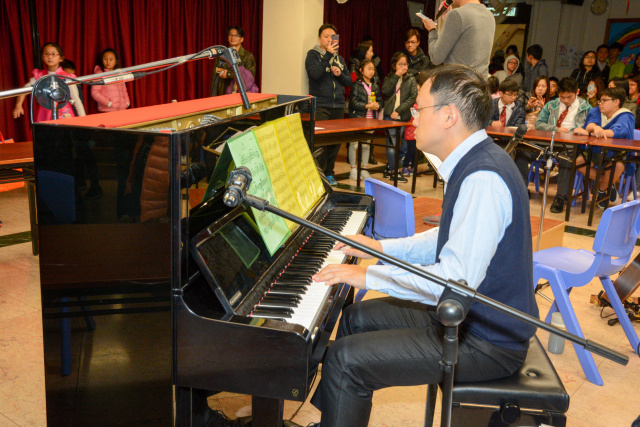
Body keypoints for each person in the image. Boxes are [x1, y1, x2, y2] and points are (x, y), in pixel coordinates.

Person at [305, 64, 538, 427]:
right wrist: (380, 249)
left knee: (345, 360)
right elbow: (445, 237)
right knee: (354, 319)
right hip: (465, 317)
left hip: (487, 340)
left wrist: (368, 276)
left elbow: (453, 282)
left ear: (449, 116)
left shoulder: (483, 178)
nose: (413, 117)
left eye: (419, 108)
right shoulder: (476, 160)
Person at [305, 23, 352, 186]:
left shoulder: (340, 59)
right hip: (321, 105)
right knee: (322, 142)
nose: (330, 39)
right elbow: (315, 74)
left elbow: (349, 81)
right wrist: (327, 56)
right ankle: (319, 175)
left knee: (335, 141)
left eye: (333, 36)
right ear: (319, 39)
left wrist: (339, 74)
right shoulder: (313, 55)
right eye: (326, 36)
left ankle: (330, 172)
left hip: (338, 105)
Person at [535, 77, 592, 213]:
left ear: (577, 92)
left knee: (566, 158)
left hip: (572, 144)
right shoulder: (551, 105)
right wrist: (555, 129)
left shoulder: (586, 108)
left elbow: (590, 129)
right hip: (549, 140)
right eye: (562, 97)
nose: (565, 100)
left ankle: (560, 197)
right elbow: (539, 124)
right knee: (522, 149)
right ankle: (519, 189)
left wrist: (574, 132)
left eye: (569, 97)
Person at [573, 87, 635, 208]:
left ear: (616, 102)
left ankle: (601, 190)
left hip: (616, 154)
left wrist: (590, 133)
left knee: (617, 166)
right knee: (579, 162)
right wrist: (595, 128)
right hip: (595, 151)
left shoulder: (626, 115)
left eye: (604, 100)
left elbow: (616, 132)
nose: (600, 103)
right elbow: (590, 125)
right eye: (600, 100)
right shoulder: (597, 110)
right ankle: (608, 183)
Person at [419, 0, 495, 77]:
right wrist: (449, 21)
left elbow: (436, 57)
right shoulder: (489, 15)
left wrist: (432, 29)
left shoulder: (457, 14)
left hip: (459, 81)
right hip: (480, 81)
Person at [13, 42, 86, 122]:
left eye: (53, 54)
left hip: (63, 114)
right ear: (42, 57)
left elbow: (76, 99)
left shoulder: (67, 77)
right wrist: (18, 105)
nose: (50, 57)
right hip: (44, 115)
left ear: (61, 58)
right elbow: (25, 89)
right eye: (46, 54)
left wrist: (84, 119)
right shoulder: (40, 76)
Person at [381, 52, 417, 183]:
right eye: (400, 64)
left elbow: (412, 98)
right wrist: (396, 76)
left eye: (405, 64)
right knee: (391, 144)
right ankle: (393, 171)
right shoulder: (390, 77)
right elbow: (385, 91)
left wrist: (398, 110)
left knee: (399, 145)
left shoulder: (411, 79)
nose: (403, 67)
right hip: (389, 116)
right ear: (394, 66)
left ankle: (390, 167)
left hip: (402, 116)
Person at [348, 59, 380, 180]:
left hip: (371, 119)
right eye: (369, 69)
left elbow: (380, 101)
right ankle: (353, 170)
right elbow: (353, 102)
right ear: (361, 70)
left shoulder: (375, 85)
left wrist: (377, 105)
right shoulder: (356, 85)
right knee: (354, 145)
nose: (372, 71)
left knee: (366, 145)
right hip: (358, 119)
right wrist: (367, 106)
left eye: (373, 69)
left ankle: (365, 169)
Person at [210, 26, 256, 97]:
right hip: (222, 92)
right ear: (227, 38)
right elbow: (215, 77)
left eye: (236, 35)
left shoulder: (248, 56)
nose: (233, 38)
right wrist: (213, 97)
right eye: (231, 35)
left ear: (242, 39)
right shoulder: (221, 55)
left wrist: (228, 74)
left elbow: (249, 77)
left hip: (239, 94)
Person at [402, 72, 430, 176]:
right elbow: (414, 118)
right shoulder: (411, 105)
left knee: (416, 152)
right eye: (416, 90)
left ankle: (413, 167)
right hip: (410, 133)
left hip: (418, 132)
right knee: (410, 151)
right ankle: (405, 167)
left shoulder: (421, 104)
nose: (418, 92)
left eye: (420, 90)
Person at [91, 48, 131, 113]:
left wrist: (127, 102)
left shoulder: (119, 74)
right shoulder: (100, 74)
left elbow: (124, 90)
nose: (108, 62)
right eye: (105, 59)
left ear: (115, 62)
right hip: (107, 110)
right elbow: (94, 92)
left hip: (122, 109)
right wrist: (108, 103)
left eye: (111, 59)